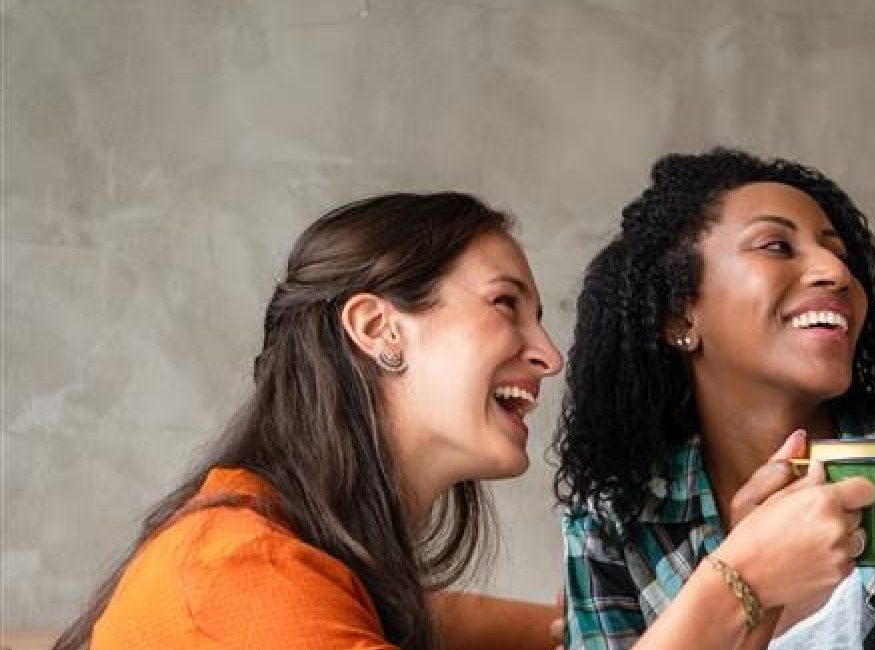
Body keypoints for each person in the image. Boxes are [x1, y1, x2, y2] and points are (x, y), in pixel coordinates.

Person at [554, 147, 875, 649]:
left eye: (840, 253)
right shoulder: (618, 518)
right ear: (680, 316)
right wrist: (744, 585)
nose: (835, 272)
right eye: (776, 246)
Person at [53, 193, 566, 650]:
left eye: (539, 318)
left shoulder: (303, 566)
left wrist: (581, 624)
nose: (550, 355)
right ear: (377, 328)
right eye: (504, 303)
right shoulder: (238, 566)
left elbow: (442, 618)